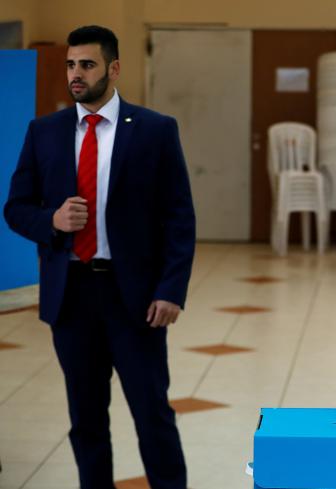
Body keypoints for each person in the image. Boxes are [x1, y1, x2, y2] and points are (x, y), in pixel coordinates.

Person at [4, 25, 195, 489]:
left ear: (113, 68)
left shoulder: (154, 130)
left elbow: (179, 219)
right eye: (71, 64)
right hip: (71, 297)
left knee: (152, 415)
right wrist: (52, 221)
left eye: (86, 64)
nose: (76, 73)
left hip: (135, 300)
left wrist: (170, 290)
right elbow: (15, 208)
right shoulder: (44, 132)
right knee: (86, 420)